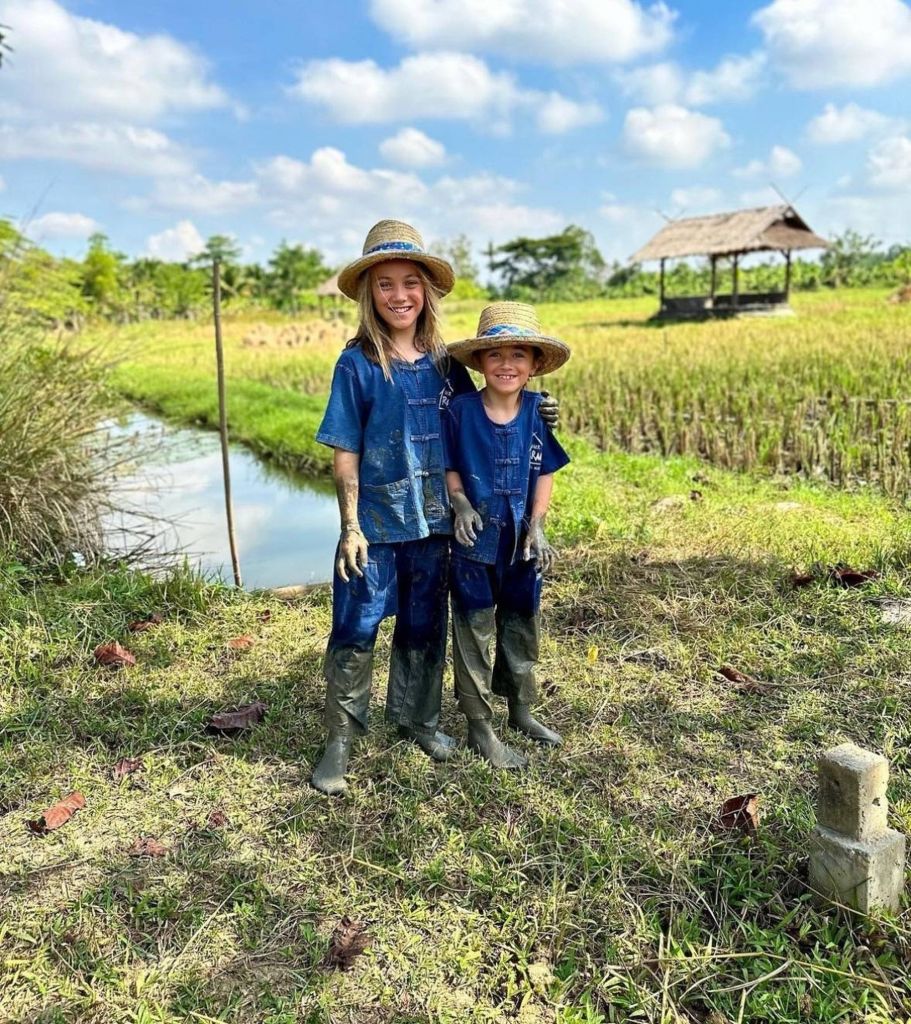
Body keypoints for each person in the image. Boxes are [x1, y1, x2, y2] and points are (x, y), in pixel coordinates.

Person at [310, 222, 558, 796]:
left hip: (437, 522)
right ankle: (339, 740)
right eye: (385, 284)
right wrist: (350, 526)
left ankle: (417, 721)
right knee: (355, 627)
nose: (399, 295)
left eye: (410, 283)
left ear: (426, 291)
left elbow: (492, 406)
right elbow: (345, 452)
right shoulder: (357, 363)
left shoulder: (447, 363)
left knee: (423, 625)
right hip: (377, 522)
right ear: (369, 293)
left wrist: (539, 410)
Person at [442, 302, 570, 769]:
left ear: (534, 365)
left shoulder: (538, 411)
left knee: (521, 626)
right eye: (495, 355)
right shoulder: (460, 411)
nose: (506, 364)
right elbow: (449, 464)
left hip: (522, 544)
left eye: (518, 355)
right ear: (479, 362)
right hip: (474, 544)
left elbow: (546, 471)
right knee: (473, 632)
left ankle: (521, 709)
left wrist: (538, 524)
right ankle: (479, 726)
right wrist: (459, 502)